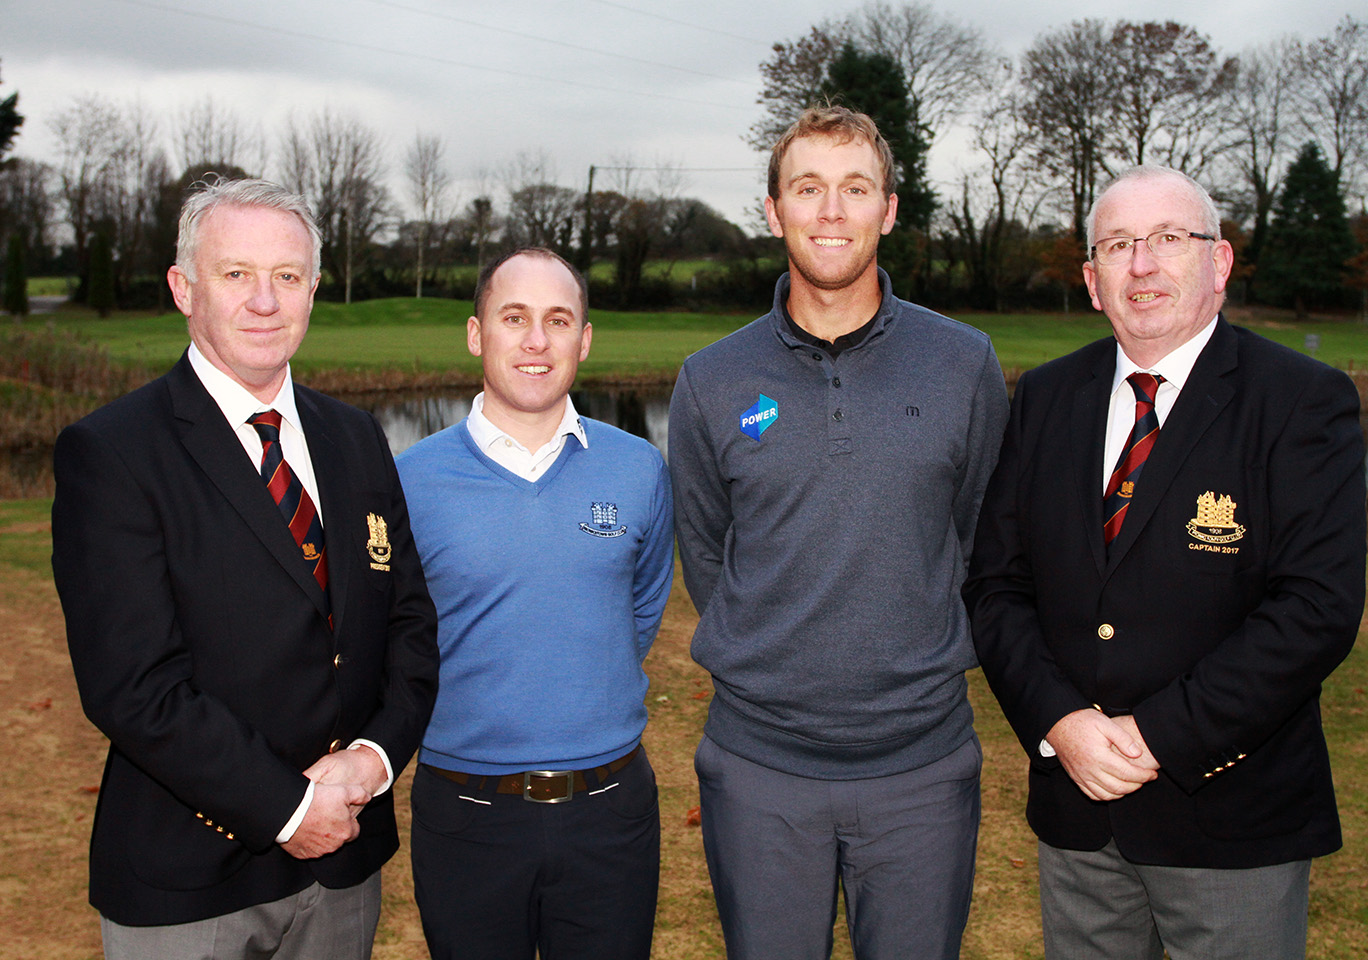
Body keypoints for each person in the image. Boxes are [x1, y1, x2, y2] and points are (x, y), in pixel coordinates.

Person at [963, 165, 1366, 960]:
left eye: (1168, 238)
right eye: (1117, 245)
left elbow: (1316, 609)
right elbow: (997, 586)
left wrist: (1157, 736)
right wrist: (1060, 724)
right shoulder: (1045, 399)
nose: (1141, 264)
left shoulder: (1300, 400)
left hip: (1231, 822)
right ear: (1092, 281)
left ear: (1218, 262)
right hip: (1078, 816)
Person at [51, 178, 439, 959]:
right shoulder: (114, 453)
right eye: (237, 274)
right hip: (189, 882)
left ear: (313, 290)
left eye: (287, 276)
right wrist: (290, 810)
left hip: (344, 864)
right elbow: (134, 686)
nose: (266, 301)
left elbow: (408, 626)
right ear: (183, 289)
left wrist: (371, 761)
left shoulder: (355, 437)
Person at [668, 106, 1008, 959]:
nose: (830, 211)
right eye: (807, 188)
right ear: (773, 209)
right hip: (759, 771)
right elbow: (706, 550)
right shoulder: (710, 379)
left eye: (855, 189)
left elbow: (980, 537)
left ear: (888, 210)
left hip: (923, 767)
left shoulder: (964, 362)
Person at [395, 247, 673, 960]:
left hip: (610, 814)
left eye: (558, 320)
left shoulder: (638, 466)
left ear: (585, 339)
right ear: (476, 333)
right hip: (465, 815)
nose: (536, 341)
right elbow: (396, 632)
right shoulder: (408, 479)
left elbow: (640, 608)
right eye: (514, 317)